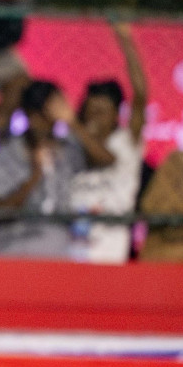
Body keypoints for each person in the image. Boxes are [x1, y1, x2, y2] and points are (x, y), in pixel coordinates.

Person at [69, 23, 149, 264]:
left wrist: (125, 39)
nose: (94, 117)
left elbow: (140, 96)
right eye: (91, 110)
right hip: (71, 244)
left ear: (116, 115)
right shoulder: (72, 143)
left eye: (102, 112)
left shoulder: (126, 141)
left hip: (110, 247)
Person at [0, 80, 84, 257]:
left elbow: (108, 159)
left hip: (55, 241)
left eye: (48, 116)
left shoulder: (69, 151)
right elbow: (0, 210)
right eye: (37, 115)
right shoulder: (7, 153)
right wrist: (36, 174)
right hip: (11, 239)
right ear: (28, 115)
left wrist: (73, 122)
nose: (40, 123)